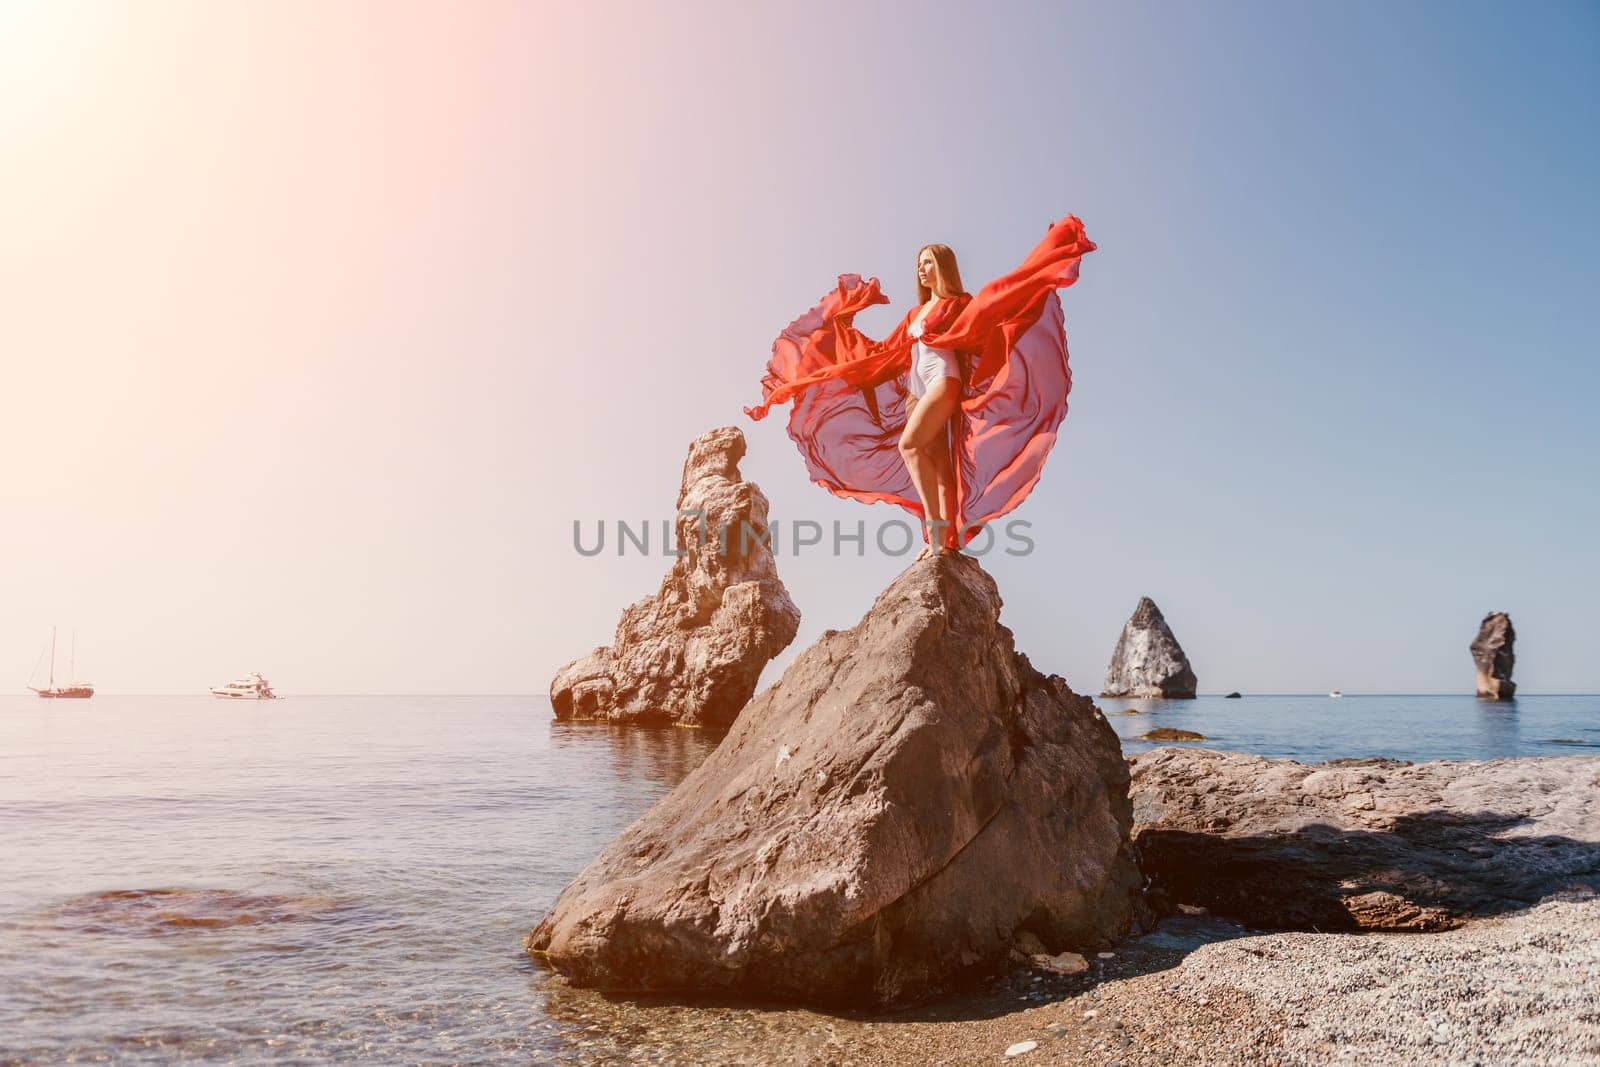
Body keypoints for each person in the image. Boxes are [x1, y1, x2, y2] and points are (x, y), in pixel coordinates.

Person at [744, 214, 1096, 562]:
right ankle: (944, 540)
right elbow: (885, 353)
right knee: (940, 467)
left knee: (909, 444)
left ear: (943, 267)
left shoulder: (958, 304)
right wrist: (842, 322)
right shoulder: (915, 314)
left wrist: (1040, 269)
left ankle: (937, 537)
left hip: (944, 382)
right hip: (916, 391)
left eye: (927, 262)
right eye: (919, 264)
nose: (921, 269)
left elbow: (992, 309)